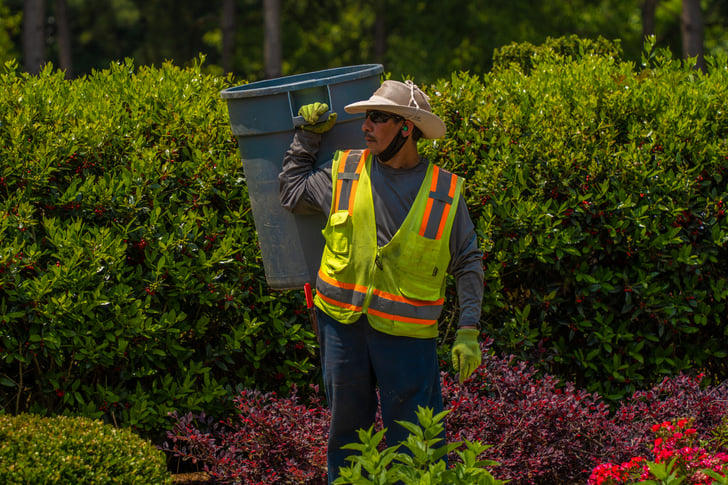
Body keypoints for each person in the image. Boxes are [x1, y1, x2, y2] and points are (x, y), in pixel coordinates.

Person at [278, 79, 483, 483]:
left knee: (417, 447)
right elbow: (291, 192)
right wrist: (306, 138)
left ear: (407, 127)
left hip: (408, 339)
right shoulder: (345, 171)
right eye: (365, 117)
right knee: (347, 444)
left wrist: (468, 329)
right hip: (342, 329)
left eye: (377, 118)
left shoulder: (443, 192)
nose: (365, 126)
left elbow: (468, 261)